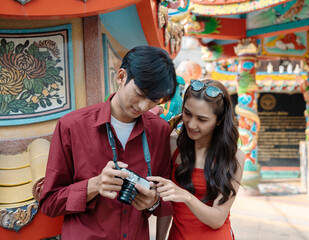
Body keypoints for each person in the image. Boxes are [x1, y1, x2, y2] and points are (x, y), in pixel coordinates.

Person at [40, 46, 177, 240]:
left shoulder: (159, 131)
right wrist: (94, 185)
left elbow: (165, 199)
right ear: (121, 77)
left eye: (154, 101)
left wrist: (153, 201)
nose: (143, 106)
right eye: (139, 93)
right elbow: (49, 203)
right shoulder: (72, 126)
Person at [148, 79, 245, 240]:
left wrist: (186, 196)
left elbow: (217, 219)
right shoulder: (173, 144)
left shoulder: (233, 156)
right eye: (187, 113)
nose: (191, 124)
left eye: (202, 119)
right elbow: (167, 204)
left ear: (219, 120)